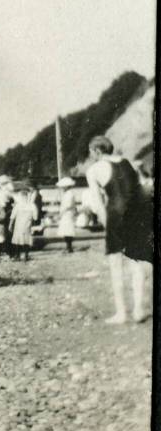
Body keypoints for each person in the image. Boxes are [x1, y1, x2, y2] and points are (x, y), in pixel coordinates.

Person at [83, 135, 154, 324]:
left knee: (116, 265)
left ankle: (121, 313)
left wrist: (106, 224)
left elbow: (98, 203)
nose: (91, 155)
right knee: (136, 262)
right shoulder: (128, 163)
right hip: (136, 213)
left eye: (91, 152)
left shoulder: (94, 170)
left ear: (97, 151)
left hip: (115, 214)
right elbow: (141, 191)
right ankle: (138, 310)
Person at [9, 189, 37, 262]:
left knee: (18, 239)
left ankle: (17, 256)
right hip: (27, 224)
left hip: (18, 224)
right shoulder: (32, 205)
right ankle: (26, 256)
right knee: (26, 239)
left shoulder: (18, 205)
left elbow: (13, 216)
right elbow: (35, 217)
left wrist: (10, 225)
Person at [56, 177, 78, 253]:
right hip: (66, 213)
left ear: (66, 186)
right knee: (65, 230)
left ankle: (69, 247)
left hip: (67, 213)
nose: (62, 188)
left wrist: (61, 212)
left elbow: (68, 205)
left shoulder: (70, 194)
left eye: (63, 187)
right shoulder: (67, 194)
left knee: (68, 230)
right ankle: (68, 246)